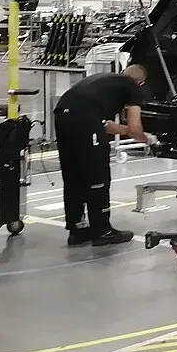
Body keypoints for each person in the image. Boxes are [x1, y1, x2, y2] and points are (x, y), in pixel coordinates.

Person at [54, 64, 149, 247]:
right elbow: (135, 128)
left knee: (74, 175)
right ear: (141, 82)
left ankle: (77, 231)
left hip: (62, 115)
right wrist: (148, 140)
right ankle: (102, 231)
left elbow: (107, 126)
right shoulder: (132, 87)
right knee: (97, 175)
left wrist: (129, 131)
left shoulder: (106, 81)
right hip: (85, 118)